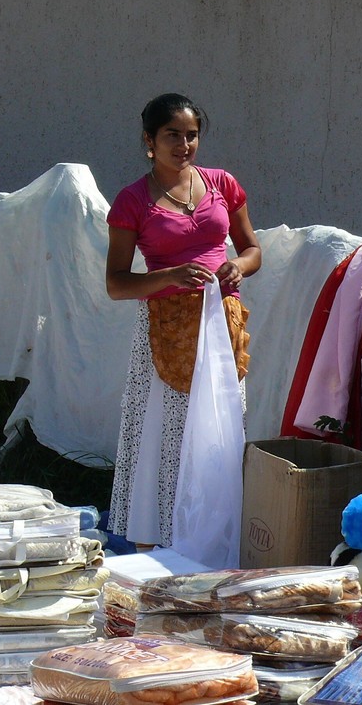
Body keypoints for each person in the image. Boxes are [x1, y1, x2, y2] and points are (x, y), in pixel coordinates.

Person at [105, 92, 262, 549]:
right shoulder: (134, 200)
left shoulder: (221, 185)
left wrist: (240, 266)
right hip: (166, 330)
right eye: (173, 135)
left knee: (220, 433)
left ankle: (213, 540)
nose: (185, 144)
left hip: (220, 325)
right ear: (149, 140)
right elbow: (116, 283)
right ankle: (158, 546)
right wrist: (168, 276)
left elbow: (252, 249)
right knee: (166, 439)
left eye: (192, 135)